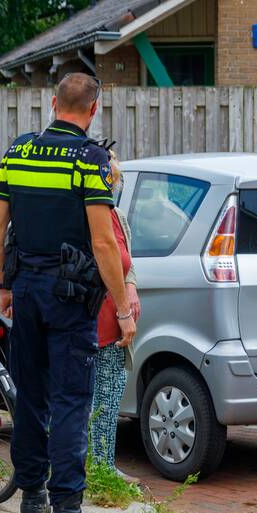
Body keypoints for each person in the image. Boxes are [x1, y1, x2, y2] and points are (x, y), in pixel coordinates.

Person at [0, 72, 136, 513]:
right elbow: (102, 241)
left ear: (53, 104)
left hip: (26, 289)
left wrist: (4, 283)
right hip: (71, 296)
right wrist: (123, 306)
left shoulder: (18, 152)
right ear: (93, 110)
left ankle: (32, 501)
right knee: (72, 398)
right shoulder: (89, 160)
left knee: (31, 394)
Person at [89, 153, 141, 483]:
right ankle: (98, 470)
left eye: (114, 180)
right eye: (109, 179)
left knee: (110, 393)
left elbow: (127, 262)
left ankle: (103, 466)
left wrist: (132, 287)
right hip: (97, 320)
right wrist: (124, 312)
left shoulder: (117, 216)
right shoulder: (90, 219)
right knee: (97, 396)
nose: (111, 186)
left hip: (115, 319)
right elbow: (104, 260)